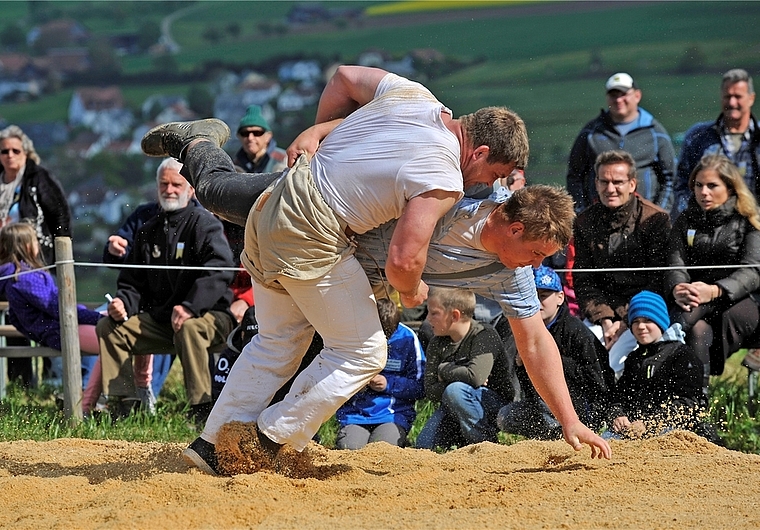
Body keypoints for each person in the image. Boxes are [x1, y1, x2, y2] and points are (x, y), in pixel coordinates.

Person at [141, 65, 570, 475]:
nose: (486, 185)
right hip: (314, 230)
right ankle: (267, 442)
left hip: (281, 202)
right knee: (362, 352)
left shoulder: (419, 98)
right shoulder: (445, 177)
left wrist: (322, 132)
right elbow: (403, 260)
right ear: (478, 151)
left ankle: (212, 445)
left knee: (277, 341)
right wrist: (410, 291)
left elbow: (345, 76)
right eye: (492, 173)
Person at [96, 157, 235, 422]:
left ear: (191, 189)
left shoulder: (205, 224)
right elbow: (132, 280)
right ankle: (125, 403)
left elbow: (220, 270)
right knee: (109, 327)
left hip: (211, 317)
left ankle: (201, 408)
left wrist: (191, 307)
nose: (169, 190)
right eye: (164, 184)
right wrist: (123, 302)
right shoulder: (148, 228)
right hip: (162, 320)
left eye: (176, 184)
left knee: (190, 327)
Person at [0, 222, 144, 416]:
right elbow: (60, 307)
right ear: (26, 246)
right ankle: (88, 405)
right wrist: (96, 317)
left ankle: (93, 401)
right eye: (35, 240)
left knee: (116, 335)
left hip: (53, 328)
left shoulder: (15, 277)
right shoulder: (25, 278)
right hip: (59, 330)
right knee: (113, 341)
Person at [572, 150, 671, 378]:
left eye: (617, 182)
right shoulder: (584, 222)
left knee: (617, 364)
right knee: (583, 361)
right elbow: (583, 278)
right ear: (596, 183)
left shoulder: (655, 220)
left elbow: (658, 280)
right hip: (600, 314)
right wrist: (606, 320)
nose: (610, 189)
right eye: (604, 181)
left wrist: (629, 320)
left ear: (632, 183)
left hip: (643, 313)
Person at [666, 154, 760, 388]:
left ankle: (667, 338)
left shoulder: (749, 221)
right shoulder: (685, 220)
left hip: (742, 303)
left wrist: (715, 290)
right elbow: (674, 263)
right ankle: (698, 404)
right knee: (698, 331)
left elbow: (752, 272)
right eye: (698, 185)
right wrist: (678, 287)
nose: (704, 192)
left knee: (685, 319)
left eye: (712, 186)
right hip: (694, 299)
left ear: (730, 187)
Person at [497, 265, 614, 440]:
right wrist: (522, 366)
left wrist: (553, 362)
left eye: (543, 296)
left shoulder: (577, 332)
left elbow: (599, 379)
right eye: (533, 296)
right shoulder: (524, 330)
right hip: (541, 401)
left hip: (581, 405)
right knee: (506, 416)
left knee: (546, 398)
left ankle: (563, 437)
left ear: (560, 298)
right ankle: (549, 439)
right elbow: (527, 387)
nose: (537, 302)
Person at [0, 125, 73, 386]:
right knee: (12, 315)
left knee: (44, 313)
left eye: (15, 150)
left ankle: (53, 376)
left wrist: (62, 256)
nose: (9, 155)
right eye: (4, 151)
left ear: (26, 153)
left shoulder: (39, 178)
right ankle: (20, 380)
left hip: (37, 260)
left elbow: (60, 215)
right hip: (4, 264)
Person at [603, 291, 707, 440]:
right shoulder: (634, 358)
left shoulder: (682, 355)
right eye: (636, 321)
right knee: (605, 441)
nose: (641, 327)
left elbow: (689, 404)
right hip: (634, 428)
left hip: (671, 428)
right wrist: (617, 415)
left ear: (661, 322)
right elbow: (620, 396)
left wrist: (649, 423)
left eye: (648, 320)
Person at [566, 72, 676, 213]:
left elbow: (670, 179)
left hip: (644, 220)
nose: (618, 100)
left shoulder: (655, 132)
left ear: (637, 96)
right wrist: (582, 211)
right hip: (598, 219)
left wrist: (659, 213)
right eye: (613, 95)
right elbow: (575, 175)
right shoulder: (591, 132)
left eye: (623, 94)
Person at [415, 288, 509, 450]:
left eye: (434, 313)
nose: (428, 319)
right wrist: (463, 376)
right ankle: (464, 437)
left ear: (455, 316)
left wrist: (444, 370)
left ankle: (485, 445)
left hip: (494, 404)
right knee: (423, 445)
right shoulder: (437, 342)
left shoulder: (484, 335)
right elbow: (431, 391)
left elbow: (475, 377)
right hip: (451, 403)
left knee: (456, 390)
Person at [335, 298, 425, 450]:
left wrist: (388, 383)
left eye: (387, 335)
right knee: (349, 449)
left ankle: (401, 441)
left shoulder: (408, 338)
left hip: (392, 415)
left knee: (382, 451)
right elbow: (336, 378)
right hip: (356, 415)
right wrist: (358, 383)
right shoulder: (353, 337)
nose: (382, 340)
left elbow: (420, 387)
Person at [673, 68, 760, 216]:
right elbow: (682, 183)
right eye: (727, 96)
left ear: (751, 98)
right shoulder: (698, 136)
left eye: (738, 96)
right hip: (710, 227)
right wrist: (690, 216)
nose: (732, 102)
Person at [233, 104, 288, 175]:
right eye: (245, 133)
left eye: (257, 133)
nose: (250, 138)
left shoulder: (284, 160)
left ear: (268, 136)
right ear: (238, 136)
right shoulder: (234, 166)